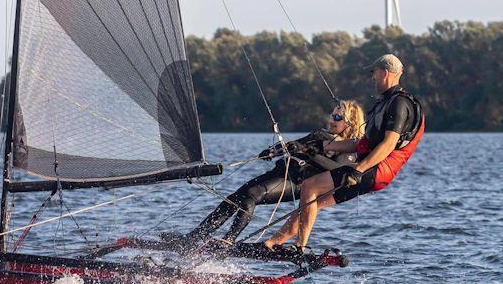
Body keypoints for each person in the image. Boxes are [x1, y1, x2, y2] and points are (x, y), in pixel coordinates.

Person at [265, 53, 425, 251]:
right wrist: (323, 146)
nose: (372, 78)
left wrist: (358, 169)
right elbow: (361, 143)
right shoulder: (386, 102)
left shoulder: (400, 103)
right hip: (372, 171)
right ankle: (272, 244)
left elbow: (389, 143)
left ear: (385, 73)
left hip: (375, 170)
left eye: (374, 72)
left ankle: (300, 247)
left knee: (309, 187)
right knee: (311, 204)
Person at [171, 100, 365, 246]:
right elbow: (294, 145)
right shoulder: (318, 136)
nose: (332, 120)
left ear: (350, 123)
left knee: (250, 196)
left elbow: (336, 172)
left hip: (298, 182)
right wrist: (273, 151)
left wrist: (311, 154)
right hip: (280, 173)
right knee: (233, 198)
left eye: (338, 118)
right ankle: (196, 237)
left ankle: (228, 241)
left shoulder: (349, 148)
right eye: (332, 115)